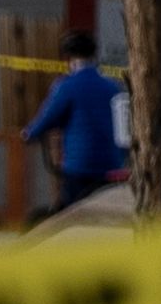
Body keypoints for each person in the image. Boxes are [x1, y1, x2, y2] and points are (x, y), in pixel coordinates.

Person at [22, 31, 131, 218]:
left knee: (72, 216)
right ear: (94, 55)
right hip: (113, 165)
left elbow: (48, 118)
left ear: (68, 58)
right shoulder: (113, 86)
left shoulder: (66, 86)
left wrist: (30, 133)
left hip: (80, 166)